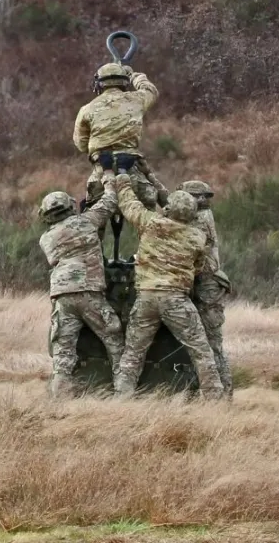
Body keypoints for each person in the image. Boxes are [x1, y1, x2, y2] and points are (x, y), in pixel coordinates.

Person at [109, 173, 224, 398]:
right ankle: (214, 398)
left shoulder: (150, 223)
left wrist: (122, 178)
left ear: (169, 208)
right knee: (201, 352)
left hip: (146, 298)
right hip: (177, 300)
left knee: (132, 354)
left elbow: (129, 204)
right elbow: (198, 267)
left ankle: (122, 397)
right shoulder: (197, 237)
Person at [38, 186, 123, 397]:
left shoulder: (46, 238)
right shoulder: (86, 221)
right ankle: (123, 391)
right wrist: (109, 179)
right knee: (114, 339)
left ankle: (60, 398)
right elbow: (111, 201)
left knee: (63, 354)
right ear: (69, 206)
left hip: (62, 295)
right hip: (88, 291)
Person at [74, 63, 165, 208]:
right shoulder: (137, 100)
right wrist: (133, 75)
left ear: (99, 84)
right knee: (147, 208)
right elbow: (150, 90)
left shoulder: (86, 109)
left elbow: (81, 144)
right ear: (124, 82)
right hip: (132, 167)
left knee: (93, 212)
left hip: (102, 169)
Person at [180, 179, 232, 398]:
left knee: (211, 342)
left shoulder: (199, 219)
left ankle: (223, 394)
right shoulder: (200, 215)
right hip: (203, 283)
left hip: (206, 285)